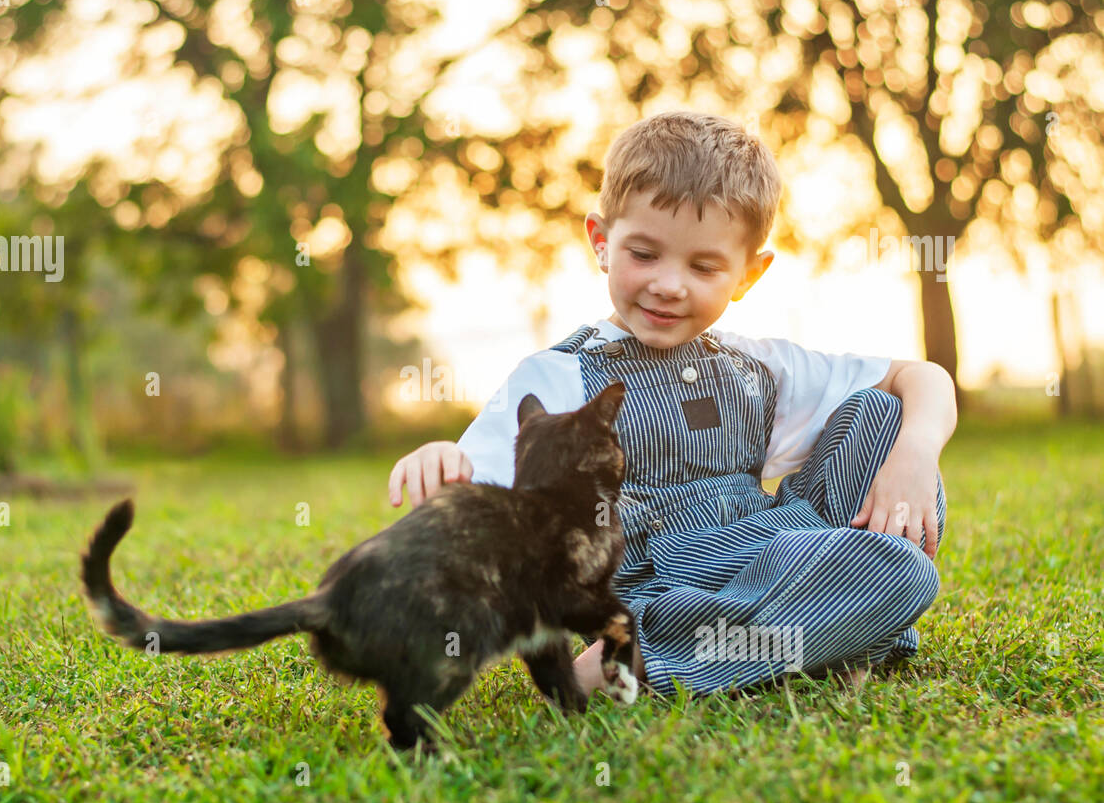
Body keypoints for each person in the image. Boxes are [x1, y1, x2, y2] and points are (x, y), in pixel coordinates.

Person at [387, 111, 956, 700]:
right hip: (657, 583)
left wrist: (912, 456)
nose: (669, 284)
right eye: (644, 254)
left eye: (703, 266)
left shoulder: (756, 367)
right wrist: (443, 466)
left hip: (776, 551)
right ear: (601, 242)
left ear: (748, 275)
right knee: (901, 570)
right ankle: (631, 659)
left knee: (885, 416)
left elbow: (923, 377)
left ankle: (821, 632)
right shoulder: (560, 377)